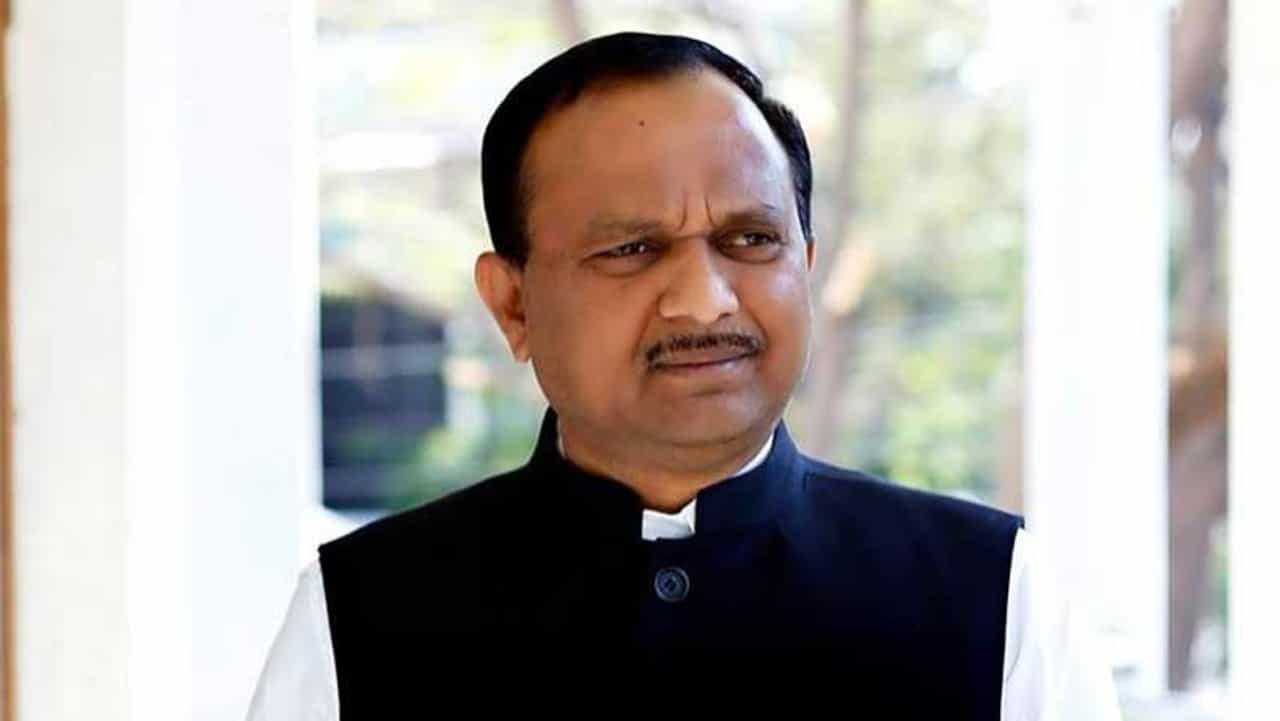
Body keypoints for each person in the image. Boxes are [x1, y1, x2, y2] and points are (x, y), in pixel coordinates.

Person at [247, 31, 1122, 719]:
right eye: (632, 248)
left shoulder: (993, 599)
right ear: (512, 304)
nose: (705, 301)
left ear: (805, 265)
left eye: (751, 239)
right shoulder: (360, 617)